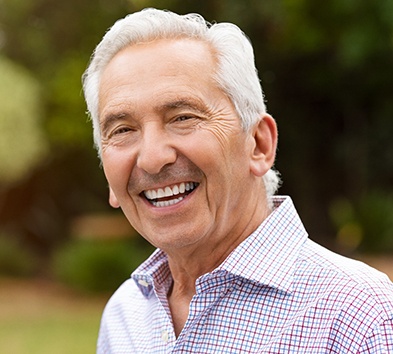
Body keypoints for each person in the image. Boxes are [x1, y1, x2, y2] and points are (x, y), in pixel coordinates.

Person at [83, 8, 393, 353]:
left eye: (183, 117)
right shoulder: (126, 313)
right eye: (123, 130)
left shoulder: (359, 316)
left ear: (258, 144)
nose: (153, 158)